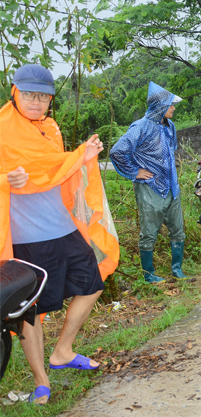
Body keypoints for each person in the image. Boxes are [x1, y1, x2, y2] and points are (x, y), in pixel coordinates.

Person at [0, 64, 120, 404]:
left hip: (63, 228)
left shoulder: (50, 128)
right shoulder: (1, 127)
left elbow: (56, 170)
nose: (36, 101)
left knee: (92, 282)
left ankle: (63, 351)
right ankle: (41, 381)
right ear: (14, 91)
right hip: (26, 237)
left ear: (51, 100)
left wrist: (84, 158)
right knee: (29, 311)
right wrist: (5, 181)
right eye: (29, 94)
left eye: (43, 96)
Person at [110, 82, 188, 283]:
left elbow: (170, 151)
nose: (173, 108)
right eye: (170, 104)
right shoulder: (140, 127)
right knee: (149, 232)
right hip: (150, 188)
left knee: (178, 229)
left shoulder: (170, 126)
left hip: (171, 186)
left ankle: (177, 270)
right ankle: (149, 274)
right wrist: (135, 172)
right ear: (160, 106)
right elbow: (117, 151)